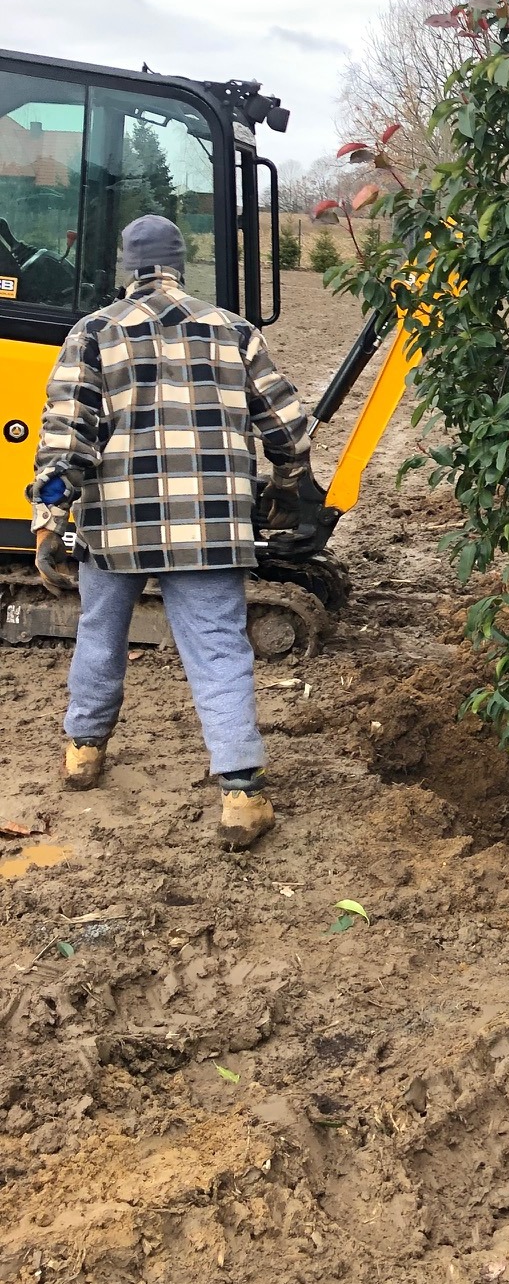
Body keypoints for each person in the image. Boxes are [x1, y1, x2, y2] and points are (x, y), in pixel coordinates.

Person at [28, 213, 311, 847]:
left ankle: (84, 754)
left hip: (116, 524)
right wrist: (288, 486)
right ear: (180, 264)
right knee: (218, 648)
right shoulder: (232, 330)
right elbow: (288, 427)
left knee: (100, 633)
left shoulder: (93, 332)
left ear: (126, 267)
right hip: (209, 523)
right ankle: (240, 794)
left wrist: (51, 516)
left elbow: (64, 438)